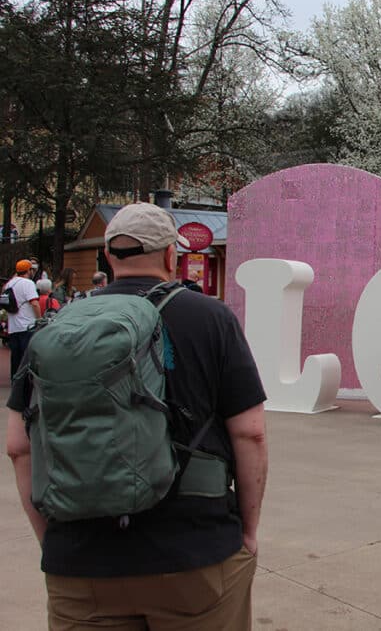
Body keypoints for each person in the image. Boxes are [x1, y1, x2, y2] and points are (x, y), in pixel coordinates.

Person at [5, 202, 268, 629]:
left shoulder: (59, 326)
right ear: (171, 256)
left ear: (108, 256)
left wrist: (52, 541)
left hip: (81, 560)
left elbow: (18, 447)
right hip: (194, 554)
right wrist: (248, 533)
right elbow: (251, 434)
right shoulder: (211, 319)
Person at [3, 259, 41, 379]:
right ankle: (26, 385)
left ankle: (16, 382)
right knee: (27, 358)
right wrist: (39, 319)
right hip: (27, 325)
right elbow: (34, 303)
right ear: (28, 270)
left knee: (16, 358)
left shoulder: (9, 284)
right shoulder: (28, 283)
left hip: (13, 327)